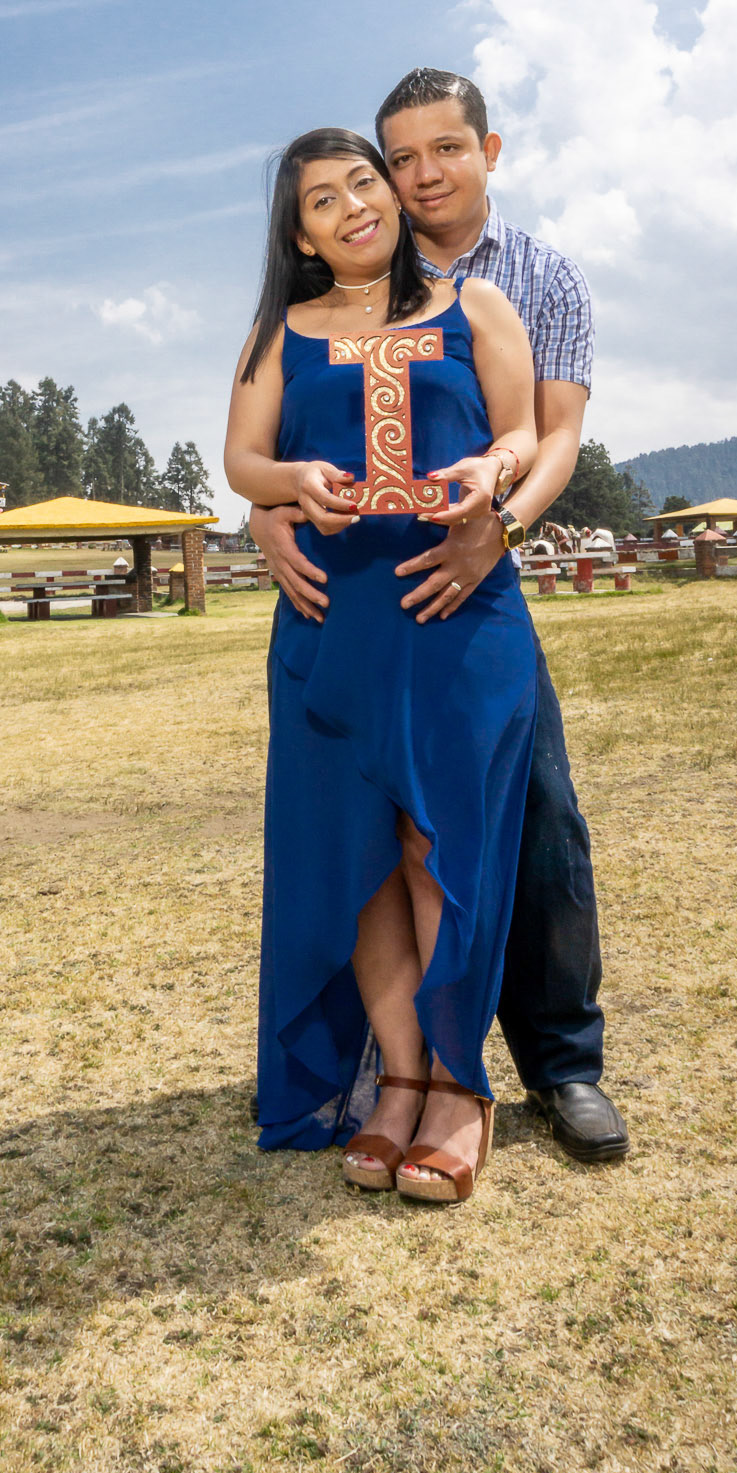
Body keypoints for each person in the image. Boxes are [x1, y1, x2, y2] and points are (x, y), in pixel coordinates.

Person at [250, 69, 630, 1165]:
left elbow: (551, 437)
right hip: (362, 605)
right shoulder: (349, 282)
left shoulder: (537, 279)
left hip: (475, 581)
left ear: (489, 150)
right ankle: (397, 1067)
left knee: (538, 825)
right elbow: (281, 428)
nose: (422, 175)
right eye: (400, 157)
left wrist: (495, 525)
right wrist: (265, 510)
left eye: (443, 151)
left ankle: (564, 1066)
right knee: (374, 837)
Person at [225, 128, 540, 1203]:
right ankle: (397, 1079)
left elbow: (528, 435)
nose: (355, 204)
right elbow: (242, 459)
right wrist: (285, 483)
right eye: (323, 200)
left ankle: (460, 1085)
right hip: (332, 619)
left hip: (458, 612)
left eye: (365, 180)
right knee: (359, 859)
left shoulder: (475, 307)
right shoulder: (281, 333)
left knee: (436, 845)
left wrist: (490, 471)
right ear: (302, 236)